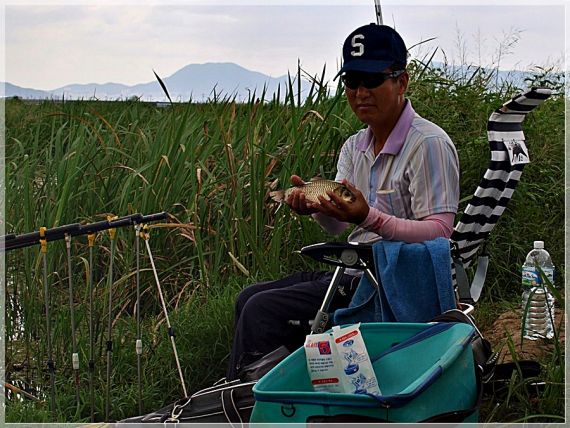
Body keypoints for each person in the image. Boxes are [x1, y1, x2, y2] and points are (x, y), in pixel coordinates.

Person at [226, 23, 460, 380]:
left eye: (371, 80)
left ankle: (260, 401)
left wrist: (370, 217)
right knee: (248, 297)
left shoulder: (428, 144)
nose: (360, 92)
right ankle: (268, 389)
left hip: (388, 278)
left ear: (402, 81)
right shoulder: (355, 146)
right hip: (351, 268)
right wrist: (318, 208)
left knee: (262, 310)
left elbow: (440, 233)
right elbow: (340, 225)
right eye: (351, 82)